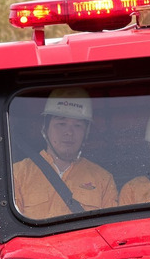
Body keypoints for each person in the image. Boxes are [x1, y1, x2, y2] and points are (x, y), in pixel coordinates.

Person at [12, 87, 117, 218]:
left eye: (77, 125)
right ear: (45, 127)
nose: (69, 132)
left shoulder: (103, 179)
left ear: (86, 133)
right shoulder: (18, 174)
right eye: (61, 123)